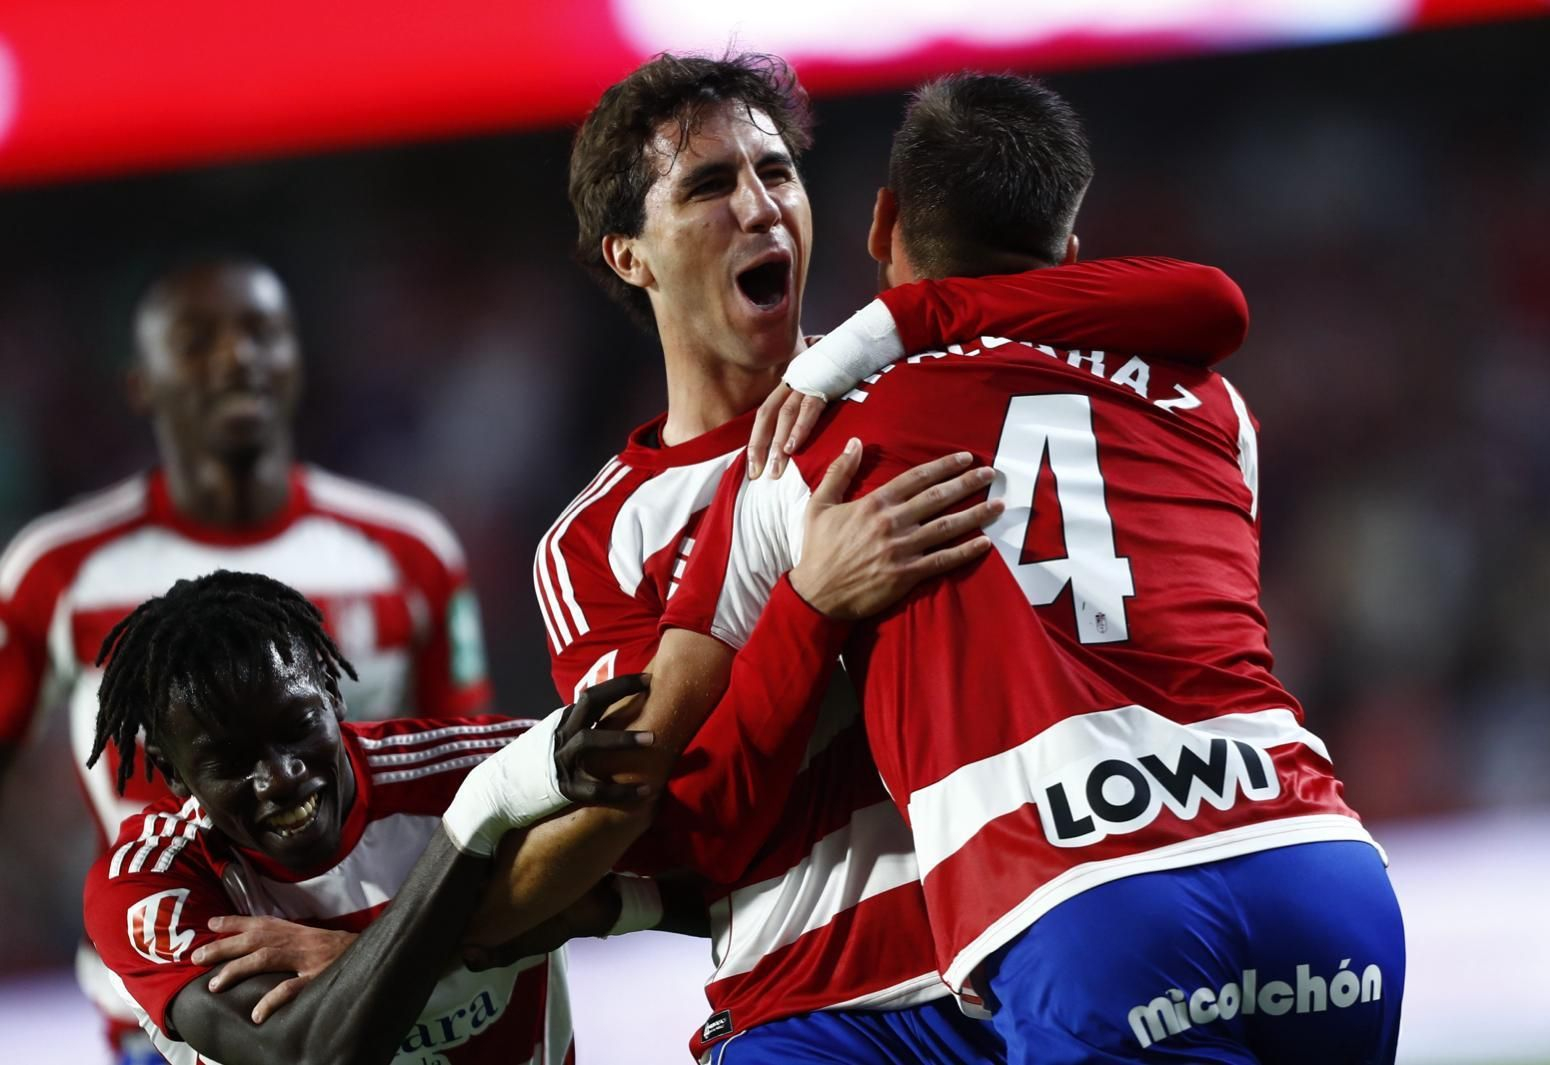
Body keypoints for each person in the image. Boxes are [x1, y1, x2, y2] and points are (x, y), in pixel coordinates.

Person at [480, 52, 1254, 1062]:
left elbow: (1199, 307)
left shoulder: (924, 389)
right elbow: (676, 830)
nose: (760, 208)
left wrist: (903, 318)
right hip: (815, 994)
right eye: (711, 185)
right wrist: (810, 605)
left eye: (776, 173)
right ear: (630, 256)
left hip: (1046, 942)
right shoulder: (597, 538)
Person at [657, 73, 1405, 1064]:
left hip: (1087, 906)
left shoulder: (811, 448)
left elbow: (703, 796)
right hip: (1319, 873)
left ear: (882, 223)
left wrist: (809, 607)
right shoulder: (1216, 412)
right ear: (1072, 254)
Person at [0, 255, 492, 1059]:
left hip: (385, 991)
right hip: (163, 1021)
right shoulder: (55, 569)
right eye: (199, 339)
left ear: (297, 358)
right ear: (141, 384)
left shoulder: (410, 552)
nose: (237, 356)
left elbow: (471, 794)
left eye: (262, 332)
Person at [81, 570, 658, 1065]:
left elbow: (705, 881)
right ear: (174, 773)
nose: (281, 778)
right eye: (233, 762)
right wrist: (473, 833)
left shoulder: (487, 766)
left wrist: (614, 906)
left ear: (333, 695)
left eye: (297, 729)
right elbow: (309, 1053)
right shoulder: (150, 884)